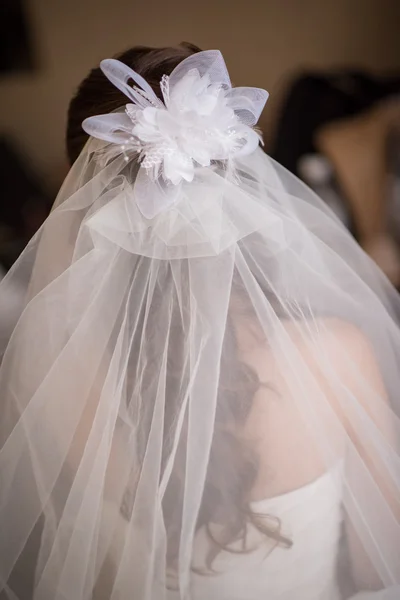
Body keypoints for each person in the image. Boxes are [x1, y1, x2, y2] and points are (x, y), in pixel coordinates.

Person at [0, 43, 399, 600]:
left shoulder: (44, 369)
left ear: (83, 196)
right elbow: (378, 570)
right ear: (239, 174)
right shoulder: (338, 353)